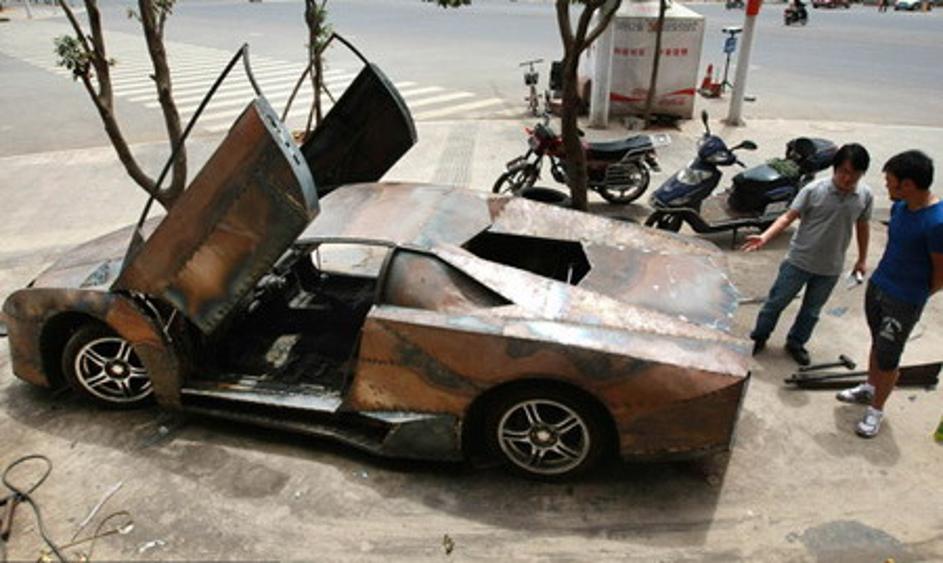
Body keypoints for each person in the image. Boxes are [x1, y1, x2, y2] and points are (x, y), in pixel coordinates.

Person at [837, 150, 943, 438]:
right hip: (879, 286)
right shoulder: (900, 208)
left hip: (904, 300)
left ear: (907, 184)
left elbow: (940, 274)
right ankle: (869, 387)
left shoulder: (937, 223)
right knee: (878, 344)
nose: (886, 186)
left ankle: (876, 411)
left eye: (890, 181)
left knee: (889, 357)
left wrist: (916, 296)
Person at [742, 143, 873, 365]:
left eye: (855, 174)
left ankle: (796, 343)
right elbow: (788, 216)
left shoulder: (864, 196)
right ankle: (759, 337)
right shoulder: (814, 190)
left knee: (812, 311)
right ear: (835, 168)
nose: (848, 178)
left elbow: (863, 226)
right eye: (844, 172)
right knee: (775, 303)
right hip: (798, 261)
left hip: (830, 267)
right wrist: (765, 237)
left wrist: (862, 259)